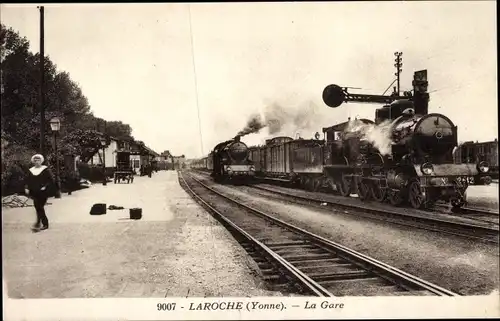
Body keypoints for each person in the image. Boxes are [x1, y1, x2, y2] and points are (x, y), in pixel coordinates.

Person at [24, 154, 55, 232]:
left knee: (40, 206)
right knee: (37, 207)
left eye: (38, 160)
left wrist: (45, 186)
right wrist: (26, 187)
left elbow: (51, 180)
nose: (37, 162)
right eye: (35, 160)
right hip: (34, 191)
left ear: (41, 161)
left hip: (43, 192)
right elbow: (27, 180)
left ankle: (44, 223)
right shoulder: (31, 170)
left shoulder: (45, 169)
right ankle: (38, 223)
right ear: (33, 162)